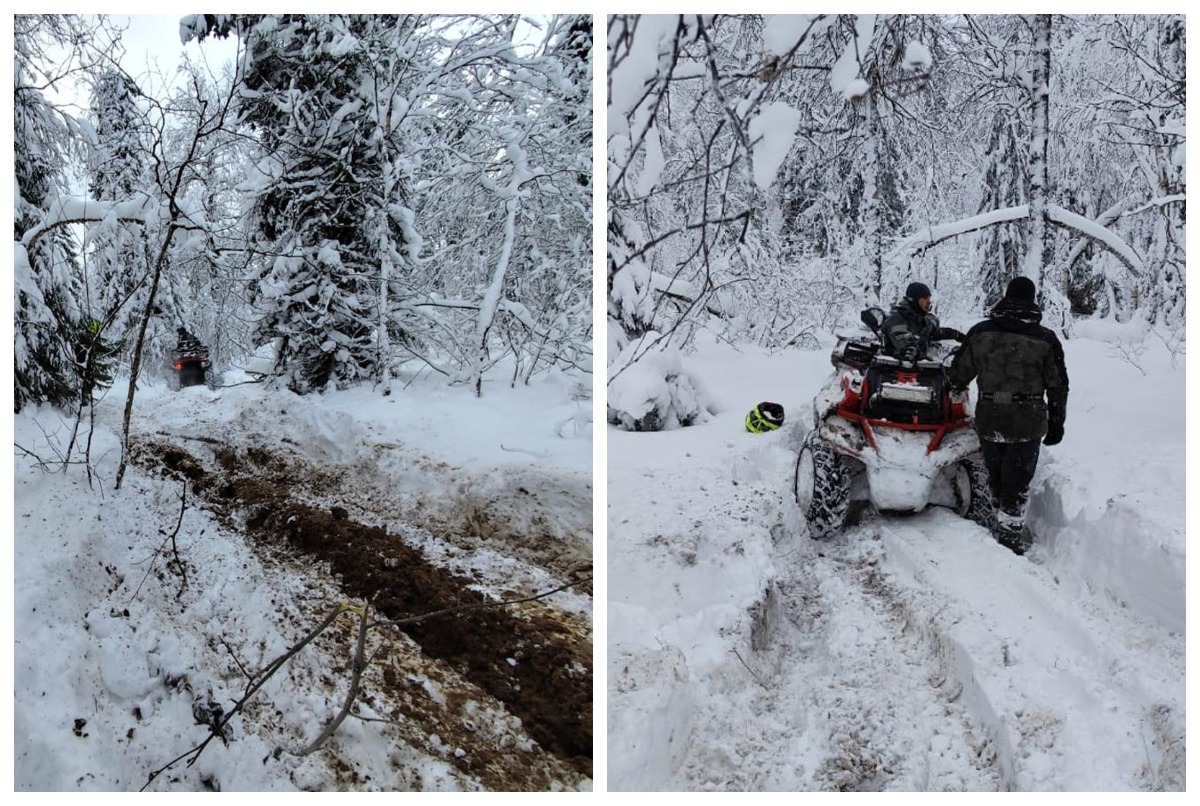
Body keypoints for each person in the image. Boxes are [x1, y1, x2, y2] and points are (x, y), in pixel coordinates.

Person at [948, 276, 1069, 555]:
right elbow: (1058, 386)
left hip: (990, 416)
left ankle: (997, 522)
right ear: (1032, 300)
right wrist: (1056, 423)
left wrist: (955, 388)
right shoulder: (1045, 339)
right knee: (1017, 480)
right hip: (1027, 419)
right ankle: (1010, 537)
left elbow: (958, 376)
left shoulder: (979, 332)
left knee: (995, 475)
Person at [881, 281, 965, 362]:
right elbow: (908, 348)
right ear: (913, 299)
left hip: (918, 370)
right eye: (925, 298)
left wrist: (958, 336)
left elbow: (936, 333)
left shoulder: (921, 321)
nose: (929, 301)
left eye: (929, 298)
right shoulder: (897, 319)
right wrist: (928, 356)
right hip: (894, 372)